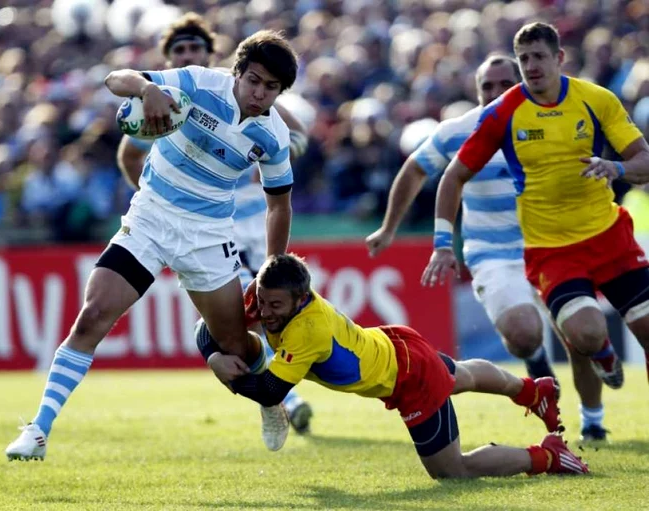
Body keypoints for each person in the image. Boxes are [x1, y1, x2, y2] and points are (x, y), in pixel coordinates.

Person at [5, 29, 298, 461]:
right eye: (253, 80)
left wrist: (271, 264)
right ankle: (38, 430)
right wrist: (148, 88)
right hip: (151, 218)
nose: (259, 93)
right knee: (93, 315)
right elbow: (115, 79)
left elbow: (279, 206)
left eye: (271, 88)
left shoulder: (273, 137)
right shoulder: (198, 82)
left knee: (236, 346)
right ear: (237, 72)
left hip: (207, 236)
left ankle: (270, 398)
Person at [422, 22, 649, 438]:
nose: (531, 66)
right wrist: (442, 243)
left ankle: (594, 415)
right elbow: (452, 177)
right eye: (523, 58)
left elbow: (643, 160)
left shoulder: (596, 99)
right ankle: (600, 355)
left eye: (538, 56)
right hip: (551, 251)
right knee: (586, 332)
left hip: (609, 235)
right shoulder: (504, 112)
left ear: (559, 58)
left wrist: (615, 167)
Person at [368, 54, 609, 442]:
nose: (496, 93)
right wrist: (389, 227)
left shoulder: (551, 122)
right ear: (476, 90)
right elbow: (416, 169)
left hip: (551, 245)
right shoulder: (461, 130)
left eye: (503, 85)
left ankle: (593, 420)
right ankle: (540, 371)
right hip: (493, 254)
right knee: (523, 332)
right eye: (487, 86)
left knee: (581, 337)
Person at [195, 253, 588, 478]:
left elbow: (270, 391)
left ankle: (548, 456)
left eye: (275, 306)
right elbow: (208, 327)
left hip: (408, 378)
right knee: (461, 376)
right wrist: (211, 344)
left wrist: (216, 364)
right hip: (394, 344)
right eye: (262, 302)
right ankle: (531, 390)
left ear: (301, 299)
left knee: (452, 472)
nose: (265, 313)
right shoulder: (266, 296)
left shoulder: (307, 329)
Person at [115, 13, 314, 435]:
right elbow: (130, 154)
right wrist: (164, 206)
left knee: (263, 312)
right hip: (198, 224)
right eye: (179, 51)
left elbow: (292, 142)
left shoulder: (259, 105)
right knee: (240, 324)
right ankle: (279, 395)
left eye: (194, 49)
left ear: (213, 53)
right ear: (169, 59)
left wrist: (292, 145)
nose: (188, 55)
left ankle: (278, 394)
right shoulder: (172, 99)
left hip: (245, 220)